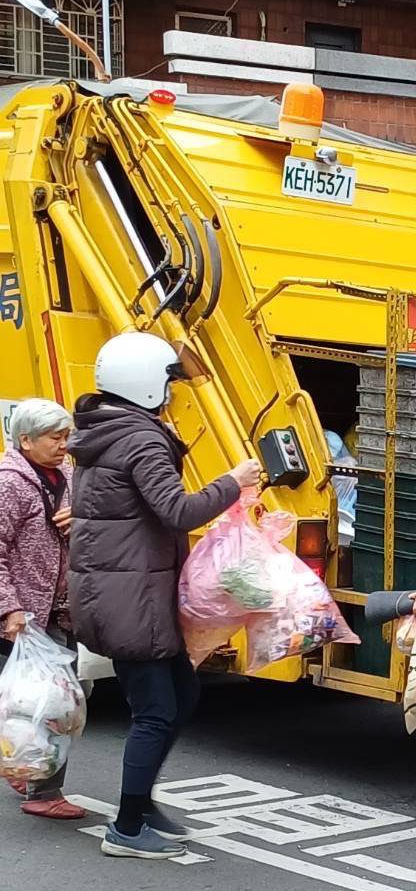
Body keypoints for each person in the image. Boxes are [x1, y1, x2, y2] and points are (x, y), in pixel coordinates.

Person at [69, 332, 261, 860]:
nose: (173, 393)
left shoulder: (106, 431)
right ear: (147, 385)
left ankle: (142, 803)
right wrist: (232, 481)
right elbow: (177, 511)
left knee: (182, 693)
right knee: (156, 711)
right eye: (169, 383)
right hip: (132, 596)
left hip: (124, 590)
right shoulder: (140, 440)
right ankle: (126, 827)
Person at [0, 399, 84, 820]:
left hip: (60, 611)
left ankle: (28, 769)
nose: (64, 445)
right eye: (55, 437)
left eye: (66, 436)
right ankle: (43, 789)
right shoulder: (9, 483)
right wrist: (10, 608)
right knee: (42, 704)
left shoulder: (68, 475)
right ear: (26, 440)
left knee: (51, 702)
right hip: (23, 616)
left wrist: (81, 520)